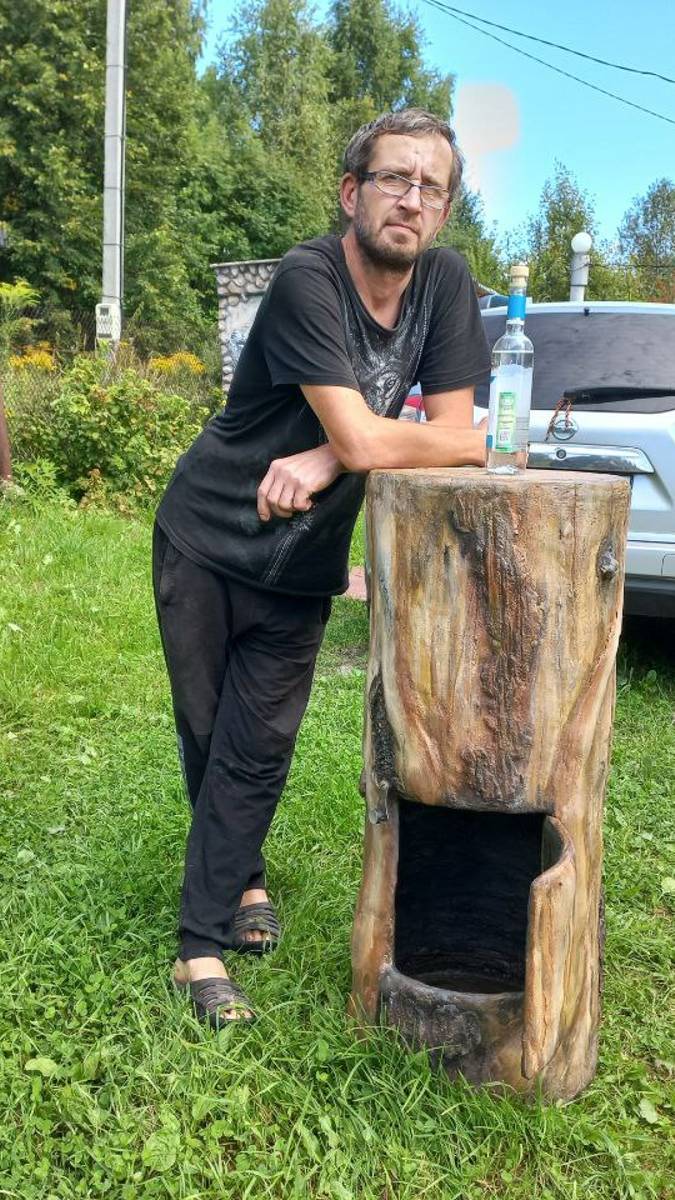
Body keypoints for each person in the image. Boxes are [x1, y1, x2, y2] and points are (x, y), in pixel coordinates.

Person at [153, 107, 491, 1026]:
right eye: (393, 179)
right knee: (209, 731)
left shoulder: (444, 284)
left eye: (430, 187)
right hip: (206, 536)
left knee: (257, 747)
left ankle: (197, 948)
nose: (410, 199)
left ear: (443, 210)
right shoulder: (308, 278)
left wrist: (327, 457)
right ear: (352, 192)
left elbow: (454, 436)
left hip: (302, 560)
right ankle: (243, 881)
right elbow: (415, 440)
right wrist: (368, 446)